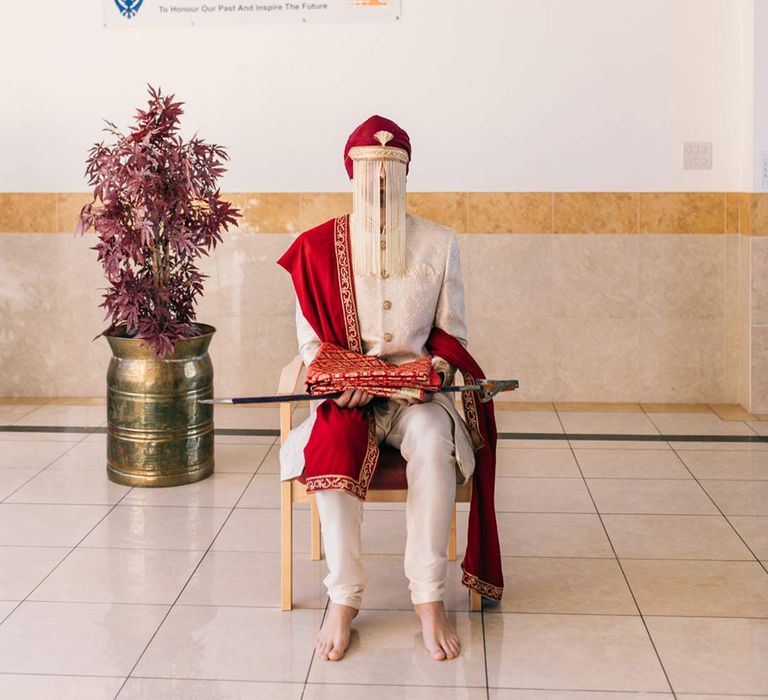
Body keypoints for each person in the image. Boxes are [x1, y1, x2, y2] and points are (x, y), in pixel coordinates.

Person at [278, 115, 502, 663]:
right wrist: (341, 379)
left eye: (391, 171)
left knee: (431, 440)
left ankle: (428, 599)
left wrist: (433, 375)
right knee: (331, 449)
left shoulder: (439, 243)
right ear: (351, 172)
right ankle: (344, 598)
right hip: (348, 400)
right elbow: (310, 345)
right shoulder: (315, 247)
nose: (379, 181)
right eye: (369, 169)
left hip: (415, 401)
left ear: (405, 175)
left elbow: (453, 336)